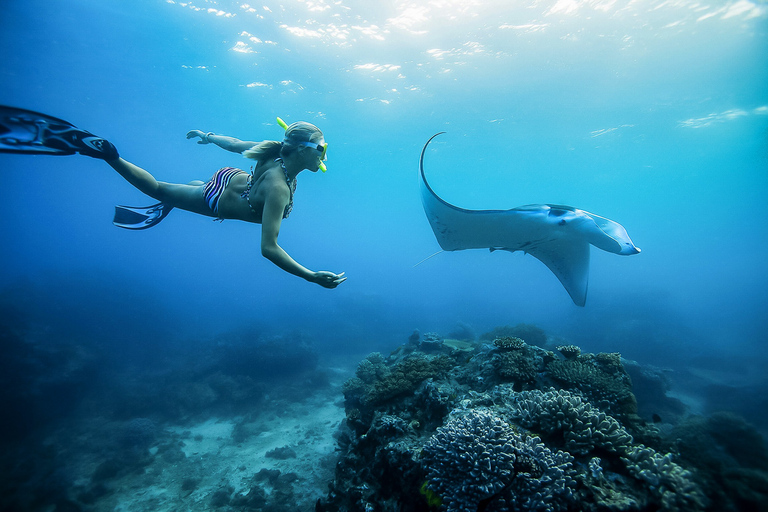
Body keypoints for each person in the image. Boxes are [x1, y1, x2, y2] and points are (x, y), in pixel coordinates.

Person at [0, 106, 346, 288]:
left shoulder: (272, 155)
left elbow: (235, 144)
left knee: (191, 188)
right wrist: (310, 275)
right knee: (159, 189)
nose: (324, 156)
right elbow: (269, 248)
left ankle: (184, 193)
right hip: (218, 199)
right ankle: (109, 155)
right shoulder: (279, 189)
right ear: (300, 151)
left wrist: (207, 136)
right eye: (321, 148)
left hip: (228, 179)